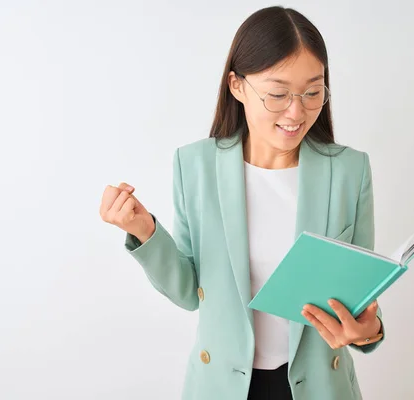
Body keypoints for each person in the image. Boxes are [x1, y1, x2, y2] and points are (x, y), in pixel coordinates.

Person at [99, 6, 385, 400]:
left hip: (320, 388)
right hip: (223, 387)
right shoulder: (195, 165)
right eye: (278, 94)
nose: (296, 111)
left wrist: (370, 330)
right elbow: (188, 292)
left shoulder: (351, 171)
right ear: (237, 86)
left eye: (312, 92)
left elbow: (362, 295)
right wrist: (144, 231)